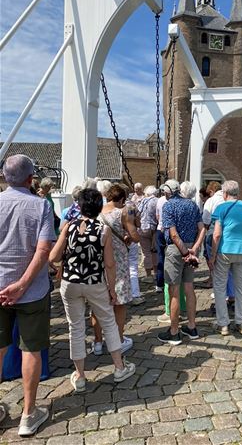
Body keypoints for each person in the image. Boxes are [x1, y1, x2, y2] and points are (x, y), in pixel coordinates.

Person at [49, 188, 135, 393]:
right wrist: (112, 289)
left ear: (79, 206)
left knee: (76, 327)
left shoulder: (69, 226)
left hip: (70, 282)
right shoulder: (102, 230)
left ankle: (80, 376)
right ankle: (119, 367)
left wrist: (66, 261)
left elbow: (53, 256)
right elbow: (110, 264)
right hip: (94, 282)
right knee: (109, 323)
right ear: (98, 208)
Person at [0, 155, 55, 436]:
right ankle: (28, 413)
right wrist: (21, 283)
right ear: (30, 179)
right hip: (32, 290)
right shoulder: (41, 205)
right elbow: (44, 250)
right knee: (31, 348)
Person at [91, 184, 140, 355]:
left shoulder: (97, 212)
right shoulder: (123, 212)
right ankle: (118, 339)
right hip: (118, 262)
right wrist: (129, 235)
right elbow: (135, 236)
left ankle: (97, 342)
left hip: (98, 262)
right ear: (121, 199)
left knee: (97, 304)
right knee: (119, 303)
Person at [208, 180, 242, 335]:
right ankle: (241, 323)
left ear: (224, 193)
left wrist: (212, 256)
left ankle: (223, 324)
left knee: (219, 286)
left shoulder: (221, 207)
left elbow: (217, 234)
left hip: (224, 251)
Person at [158, 179, 205, 345]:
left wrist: (185, 253)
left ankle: (174, 332)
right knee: (189, 287)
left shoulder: (168, 206)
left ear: (169, 191)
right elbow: (202, 229)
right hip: (191, 247)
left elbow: (173, 234)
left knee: (174, 291)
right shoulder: (192, 205)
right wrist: (194, 249)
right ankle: (192, 327)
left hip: (176, 250)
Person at [138, 186, 158, 283]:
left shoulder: (143, 201)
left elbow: (138, 212)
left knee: (146, 253)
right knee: (155, 251)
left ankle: (148, 275)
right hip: (155, 228)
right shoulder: (158, 201)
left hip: (143, 227)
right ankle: (156, 274)